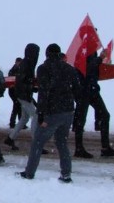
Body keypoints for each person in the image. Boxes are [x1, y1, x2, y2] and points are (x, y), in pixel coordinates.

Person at [18, 44, 79, 182]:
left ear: (46, 54)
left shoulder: (43, 69)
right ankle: (66, 174)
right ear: (59, 54)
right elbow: (77, 89)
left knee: (37, 143)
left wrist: (41, 115)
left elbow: (43, 93)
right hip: (68, 111)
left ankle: (29, 172)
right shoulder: (69, 69)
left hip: (52, 112)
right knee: (62, 143)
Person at [72, 50, 114, 158]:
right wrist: (100, 58)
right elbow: (87, 68)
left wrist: (103, 63)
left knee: (105, 115)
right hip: (83, 90)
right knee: (81, 119)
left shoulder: (92, 52)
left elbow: (94, 70)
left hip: (92, 89)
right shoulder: (82, 51)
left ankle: (105, 148)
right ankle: (79, 148)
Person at [4, 44, 40, 151]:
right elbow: (22, 81)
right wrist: (31, 87)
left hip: (22, 95)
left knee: (24, 118)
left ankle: (11, 138)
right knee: (36, 115)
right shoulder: (27, 64)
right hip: (24, 95)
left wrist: (31, 86)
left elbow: (23, 81)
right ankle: (36, 143)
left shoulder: (26, 63)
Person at [7, 57, 23, 128]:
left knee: (18, 106)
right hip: (13, 92)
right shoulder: (13, 71)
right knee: (17, 106)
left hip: (16, 91)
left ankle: (16, 123)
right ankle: (15, 123)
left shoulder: (16, 70)